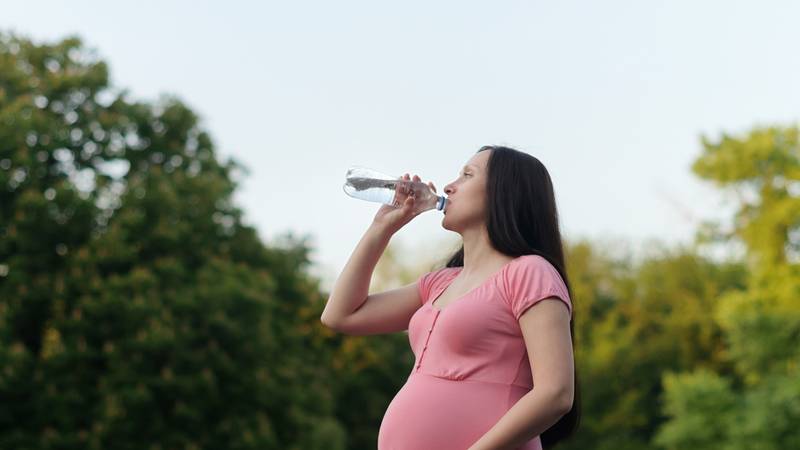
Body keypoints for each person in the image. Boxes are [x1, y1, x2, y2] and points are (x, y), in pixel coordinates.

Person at [321, 145, 579, 449]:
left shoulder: (530, 273)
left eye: (467, 175)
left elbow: (556, 393)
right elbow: (340, 315)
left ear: (504, 193)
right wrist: (381, 229)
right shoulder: (440, 283)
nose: (448, 186)